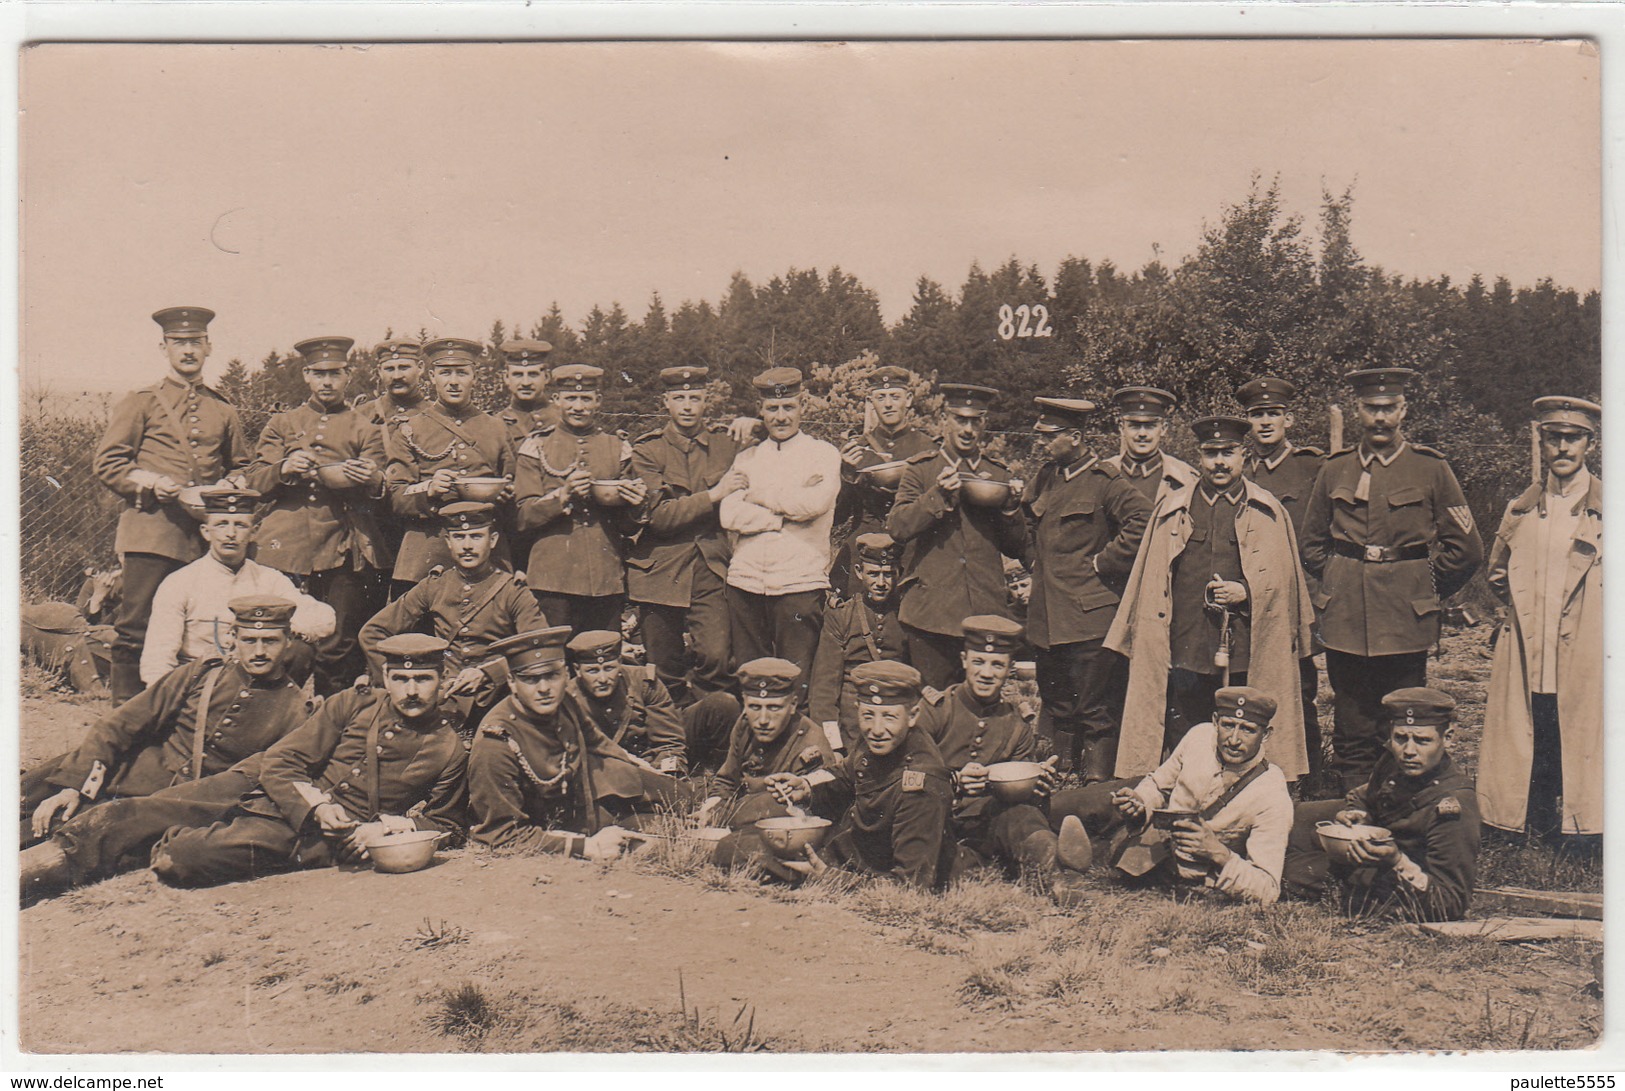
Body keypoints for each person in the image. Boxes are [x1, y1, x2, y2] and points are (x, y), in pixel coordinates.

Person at [19, 597, 310, 900]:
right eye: (250, 640)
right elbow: (122, 723)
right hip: (122, 773)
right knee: (37, 791)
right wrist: (74, 786)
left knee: (53, 841)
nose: (259, 651)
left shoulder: (297, 712)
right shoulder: (202, 673)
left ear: (288, 642)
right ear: (233, 638)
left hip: (162, 811)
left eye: (271, 641)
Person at [147, 634, 470, 887]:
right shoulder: (353, 704)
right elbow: (282, 759)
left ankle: (171, 843)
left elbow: (448, 824)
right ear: (385, 677)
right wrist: (319, 808)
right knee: (150, 812)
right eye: (400, 679)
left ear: (442, 680)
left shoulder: (448, 747)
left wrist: (381, 830)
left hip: (319, 842)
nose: (411, 691)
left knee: (182, 858)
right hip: (281, 800)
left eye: (423, 679)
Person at [1299, 368, 1485, 790]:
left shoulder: (1430, 468)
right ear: (1357, 411)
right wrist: (1338, 580)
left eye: (1388, 408)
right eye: (1370, 408)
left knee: (1405, 725)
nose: (1379, 418)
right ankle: (1353, 815)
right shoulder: (1335, 469)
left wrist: (1422, 586)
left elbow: (1467, 548)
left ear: (1403, 410)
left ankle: (1401, 813)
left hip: (1406, 621)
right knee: (1351, 727)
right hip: (1346, 619)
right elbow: (1310, 543)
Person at [1108, 416, 1314, 782]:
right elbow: (1151, 579)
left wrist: (1247, 592)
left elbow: (1284, 584)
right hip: (1185, 643)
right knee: (1186, 728)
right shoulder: (1172, 509)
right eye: (1210, 453)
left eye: (1228, 452)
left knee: (1243, 730)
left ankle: (1246, 796)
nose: (1219, 462)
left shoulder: (1267, 510)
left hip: (1246, 647)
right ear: (1199, 456)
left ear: (1242, 455)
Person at [94, 306, 249, 701]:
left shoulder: (223, 408)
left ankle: (183, 713)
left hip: (203, 538)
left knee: (200, 626)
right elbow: (109, 462)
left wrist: (226, 488)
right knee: (136, 627)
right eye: (179, 343)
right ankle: (126, 720)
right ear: (163, 348)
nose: (188, 350)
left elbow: (241, 466)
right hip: (152, 531)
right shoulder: (142, 402)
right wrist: (153, 483)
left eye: (195, 342)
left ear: (208, 347)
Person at [1048, 685, 1293, 905]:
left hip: (1199, 873)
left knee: (1105, 853)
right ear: (1215, 721)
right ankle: (1071, 850)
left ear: (1266, 735)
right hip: (1160, 844)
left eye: (1248, 730)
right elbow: (1159, 783)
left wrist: (1218, 852)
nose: (1234, 740)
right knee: (1065, 810)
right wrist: (1141, 801)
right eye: (1228, 725)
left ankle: (1069, 862)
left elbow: (1268, 889)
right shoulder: (1199, 737)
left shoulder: (1271, 794)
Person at [1481, 396, 1602, 840]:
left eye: (1574, 438)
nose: (1564, 448)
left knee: (1583, 728)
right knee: (1536, 723)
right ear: (1542, 443)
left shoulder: (1608, 508)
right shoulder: (1523, 508)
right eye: (1554, 438)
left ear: (1590, 443)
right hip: (1531, 639)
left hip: (1587, 645)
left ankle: (1587, 829)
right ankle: (1529, 821)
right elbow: (1497, 573)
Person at [243, 336, 391, 697]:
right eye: (319, 374)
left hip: (342, 545)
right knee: (278, 639)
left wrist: (371, 480)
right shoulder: (283, 423)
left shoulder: (365, 428)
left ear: (348, 375)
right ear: (306, 375)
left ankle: (329, 719)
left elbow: (382, 484)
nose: (327, 382)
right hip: (285, 547)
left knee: (336, 647)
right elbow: (253, 482)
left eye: (335, 374)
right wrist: (283, 468)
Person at [467, 627, 691, 858]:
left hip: (582, 801)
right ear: (512, 682)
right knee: (655, 835)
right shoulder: (496, 741)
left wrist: (652, 775)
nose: (544, 689)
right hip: (550, 826)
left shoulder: (564, 702)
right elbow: (502, 834)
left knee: (682, 807)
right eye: (531, 679)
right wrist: (585, 848)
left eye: (552, 675)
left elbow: (598, 743)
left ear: (565, 674)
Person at [1022, 396, 1151, 779]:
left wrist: (1103, 562)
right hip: (1048, 618)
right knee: (1059, 705)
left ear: (1075, 436)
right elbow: (1029, 522)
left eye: (1051, 436)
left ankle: (1095, 785)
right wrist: (1032, 561)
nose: (1043, 443)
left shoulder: (1104, 481)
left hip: (1089, 619)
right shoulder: (1045, 477)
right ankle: (1060, 774)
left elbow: (1143, 519)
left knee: (1096, 710)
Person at [1284, 687, 1481, 921]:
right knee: (1293, 816)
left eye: (1422, 741)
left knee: (1292, 871)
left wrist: (1396, 861)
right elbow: (1364, 794)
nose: (1409, 751)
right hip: (1373, 847)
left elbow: (1451, 902)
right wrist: (1356, 812)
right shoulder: (1396, 761)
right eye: (1400, 738)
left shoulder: (1452, 804)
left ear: (1447, 738)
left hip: (1399, 873)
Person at [357, 502, 545, 736]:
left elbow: (538, 647)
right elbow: (373, 632)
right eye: (459, 537)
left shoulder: (513, 591)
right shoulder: (434, 585)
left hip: (496, 699)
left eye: (476, 536)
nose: (467, 546)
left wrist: (489, 674)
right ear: (448, 542)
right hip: (441, 699)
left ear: (493, 540)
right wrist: (401, 685)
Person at [765, 661, 955, 891]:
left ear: (913, 715)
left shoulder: (922, 784)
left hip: (869, 873)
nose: (876, 729)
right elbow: (845, 775)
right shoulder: (878, 740)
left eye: (889, 717)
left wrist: (833, 880)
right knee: (739, 847)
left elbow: (910, 887)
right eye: (867, 715)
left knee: (756, 857)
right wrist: (806, 786)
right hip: (850, 850)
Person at [887, 383, 1027, 690]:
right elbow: (898, 527)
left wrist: (1010, 509)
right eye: (960, 420)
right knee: (932, 708)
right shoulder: (921, 470)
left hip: (984, 613)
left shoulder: (998, 476)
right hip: (930, 615)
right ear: (943, 421)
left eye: (975, 421)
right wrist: (936, 496)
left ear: (984, 424)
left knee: (981, 708)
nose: (967, 429)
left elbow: (1019, 547)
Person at [719, 367, 842, 701]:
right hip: (746, 581)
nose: (781, 416)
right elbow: (729, 512)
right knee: (752, 679)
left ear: (802, 405)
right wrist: (780, 515)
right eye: (772, 409)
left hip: (798, 583)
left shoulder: (823, 453)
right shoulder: (746, 457)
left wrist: (756, 495)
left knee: (796, 683)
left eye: (789, 407)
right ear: (761, 410)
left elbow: (813, 504)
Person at [626, 365, 748, 702]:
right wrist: (714, 494)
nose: (687, 406)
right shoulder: (647, 451)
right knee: (662, 669)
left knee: (717, 658)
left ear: (706, 400)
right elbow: (659, 516)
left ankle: (714, 741)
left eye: (695, 397)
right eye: (679, 398)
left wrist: (755, 425)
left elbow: (772, 443)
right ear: (666, 401)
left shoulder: (727, 444)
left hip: (711, 565)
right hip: (659, 571)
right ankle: (673, 745)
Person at [140, 488, 333, 687]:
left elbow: (324, 619)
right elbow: (159, 655)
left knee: (300, 650)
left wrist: (283, 627)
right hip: (198, 681)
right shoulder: (180, 582)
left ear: (253, 532)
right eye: (222, 524)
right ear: (206, 532)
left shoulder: (269, 579)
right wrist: (162, 700)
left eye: (240, 525)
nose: (230, 534)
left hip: (254, 679)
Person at [917, 616, 1061, 878]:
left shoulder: (1017, 725)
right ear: (963, 661)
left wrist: (1038, 787)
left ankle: (1055, 872)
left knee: (1022, 817)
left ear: (1010, 670)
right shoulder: (937, 710)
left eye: (997, 665)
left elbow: (1016, 799)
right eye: (978, 662)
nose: (986, 673)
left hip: (985, 824)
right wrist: (955, 782)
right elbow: (909, 773)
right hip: (932, 819)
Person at [1238, 375, 1327, 779]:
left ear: (1289, 419)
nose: (1266, 422)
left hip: (1295, 599)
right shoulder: (1239, 470)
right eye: (1257, 415)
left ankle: (1307, 775)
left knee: (1299, 691)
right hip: (1246, 598)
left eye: (1274, 413)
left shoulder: (1312, 466)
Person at [514, 363, 647, 632]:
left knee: (601, 661)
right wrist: (562, 496)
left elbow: (628, 526)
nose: (578, 406)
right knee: (555, 662)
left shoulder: (617, 447)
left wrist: (636, 505)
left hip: (604, 577)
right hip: (552, 578)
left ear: (598, 401)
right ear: (556, 400)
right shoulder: (536, 445)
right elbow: (522, 516)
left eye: (585, 398)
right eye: (570, 398)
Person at [382, 336, 516, 588]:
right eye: (445, 373)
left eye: (461, 373)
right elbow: (397, 497)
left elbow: (514, 489)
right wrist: (429, 490)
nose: (453, 382)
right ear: (432, 377)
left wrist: (506, 496)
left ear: (474, 376)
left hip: (487, 557)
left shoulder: (496, 428)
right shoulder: (411, 429)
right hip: (426, 554)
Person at [565, 630, 739, 775]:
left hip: (652, 759)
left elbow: (669, 739)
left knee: (722, 704)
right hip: (608, 769)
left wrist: (668, 774)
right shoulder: (568, 699)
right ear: (577, 670)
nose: (602, 678)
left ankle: (721, 777)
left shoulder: (642, 681)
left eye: (609, 668)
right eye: (592, 671)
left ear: (619, 663)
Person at [830, 365, 936, 595]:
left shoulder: (929, 448)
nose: (888, 404)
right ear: (871, 402)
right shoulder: (857, 449)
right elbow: (837, 517)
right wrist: (846, 475)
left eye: (895, 396)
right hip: (864, 550)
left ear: (908, 399)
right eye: (881, 397)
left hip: (912, 552)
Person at [706, 659, 840, 831]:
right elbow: (727, 779)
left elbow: (811, 812)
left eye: (774, 708)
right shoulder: (745, 725)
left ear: (792, 705)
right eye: (754, 706)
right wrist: (711, 808)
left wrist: (727, 816)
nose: (762, 720)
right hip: (741, 812)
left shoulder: (811, 745)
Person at [808, 532, 907, 752]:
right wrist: (834, 746)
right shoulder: (842, 615)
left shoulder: (906, 614)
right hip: (851, 722)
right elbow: (824, 688)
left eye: (888, 574)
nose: (881, 583)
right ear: (859, 572)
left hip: (895, 718)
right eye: (873, 574)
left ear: (898, 573)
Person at [1101, 386, 1197, 508]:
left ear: (1163, 429)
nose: (1142, 434)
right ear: (1121, 428)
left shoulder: (1185, 476)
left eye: (1150, 426)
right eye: (1134, 426)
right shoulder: (1103, 474)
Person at [495, 338, 560, 443]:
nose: (526, 383)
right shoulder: (495, 424)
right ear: (506, 377)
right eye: (518, 375)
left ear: (547, 377)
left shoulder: (565, 419)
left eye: (533, 374)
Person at [358, 338, 428, 427]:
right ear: (380, 371)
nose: (397, 376)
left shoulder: (436, 414)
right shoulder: (362, 414)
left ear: (420, 368)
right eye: (389, 369)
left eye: (404, 368)